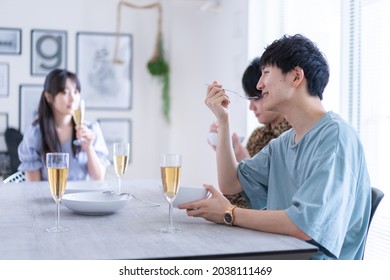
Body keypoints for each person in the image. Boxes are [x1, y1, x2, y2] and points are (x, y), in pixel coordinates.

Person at [180, 34, 372, 260]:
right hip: (277, 255)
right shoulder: (283, 142)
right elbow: (230, 183)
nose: (260, 85)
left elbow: (303, 225)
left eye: (266, 74)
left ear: (296, 76)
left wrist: (229, 213)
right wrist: (223, 121)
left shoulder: (336, 138)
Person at [208, 57, 291, 208]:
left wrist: (243, 157)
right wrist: (224, 147)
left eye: (256, 98)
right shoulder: (257, 135)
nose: (251, 107)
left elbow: (268, 199)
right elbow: (234, 190)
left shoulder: (293, 136)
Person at [18, 69, 109, 181]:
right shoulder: (35, 133)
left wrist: (88, 147)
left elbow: (98, 178)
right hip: (49, 197)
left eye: (76, 92)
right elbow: (33, 186)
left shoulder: (91, 129)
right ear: (48, 97)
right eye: (65, 92)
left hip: (83, 197)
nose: (73, 99)